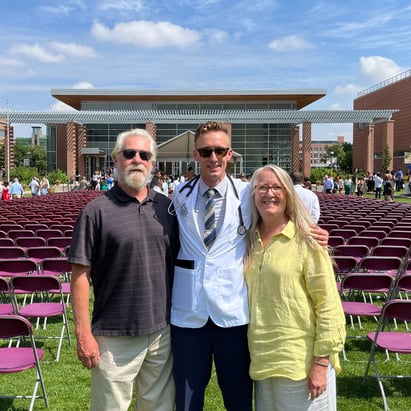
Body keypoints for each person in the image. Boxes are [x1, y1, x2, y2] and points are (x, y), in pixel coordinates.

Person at [170, 121, 329, 411]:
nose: (213, 158)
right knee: (186, 399)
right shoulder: (179, 194)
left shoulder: (247, 192)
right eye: (206, 152)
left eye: (220, 150)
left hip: (232, 314)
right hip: (188, 314)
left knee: (239, 399)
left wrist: (309, 228)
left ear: (230, 154)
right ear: (195, 155)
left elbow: (291, 200)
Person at [68, 129, 178, 411]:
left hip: (161, 331)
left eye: (144, 155)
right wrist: (83, 333)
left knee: (160, 407)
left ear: (153, 163)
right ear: (117, 160)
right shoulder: (95, 211)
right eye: (129, 154)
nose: (137, 160)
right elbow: (80, 275)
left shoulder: (167, 209)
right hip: (113, 337)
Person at [244, 164, 346, 411]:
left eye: (277, 187)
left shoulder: (307, 240)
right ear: (253, 193)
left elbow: (328, 304)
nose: (269, 193)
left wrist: (321, 362)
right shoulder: (248, 240)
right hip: (263, 360)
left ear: (288, 193)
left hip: (300, 361)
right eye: (262, 187)